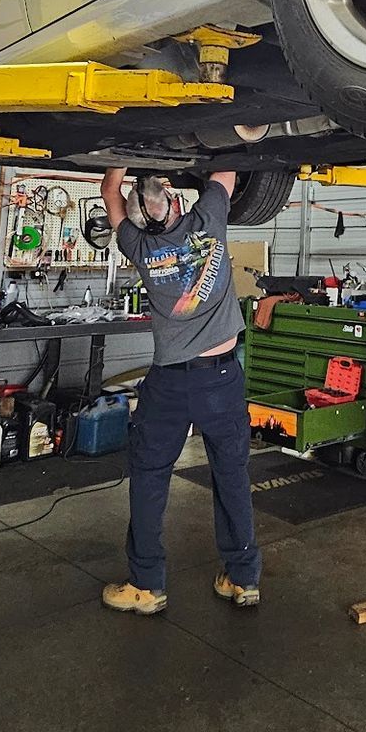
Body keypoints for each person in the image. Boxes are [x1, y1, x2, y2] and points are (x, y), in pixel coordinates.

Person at [98, 167, 260, 615]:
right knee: (231, 474)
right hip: (222, 378)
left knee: (150, 475)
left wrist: (118, 162)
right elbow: (225, 172)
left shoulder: (138, 246)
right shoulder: (208, 219)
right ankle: (242, 579)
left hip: (169, 381)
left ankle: (147, 585)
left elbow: (109, 192)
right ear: (173, 201)